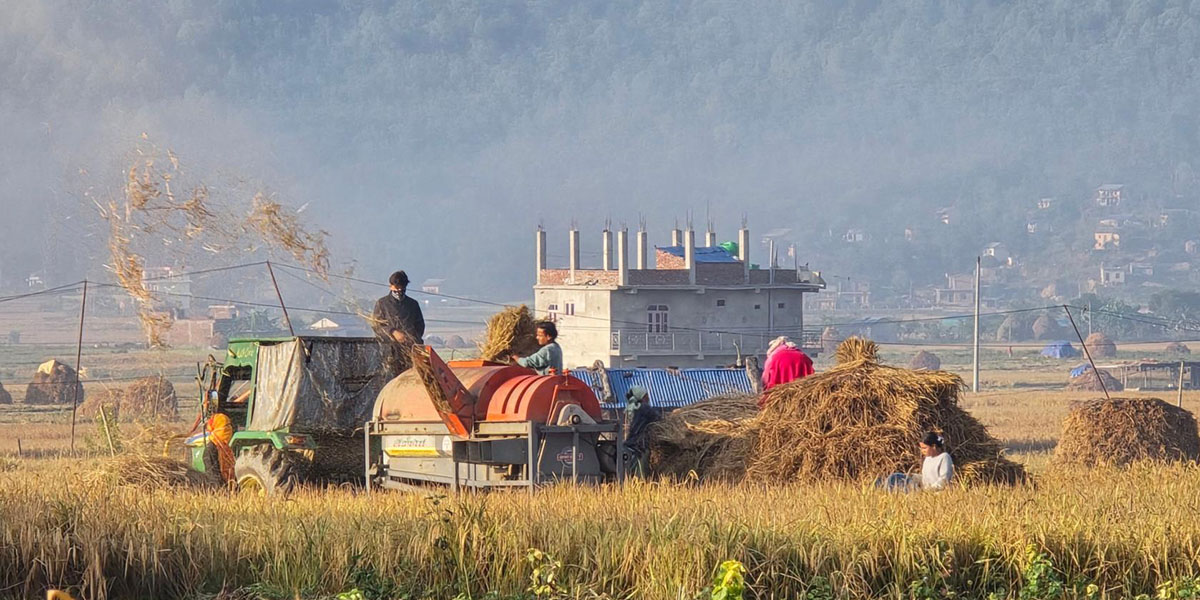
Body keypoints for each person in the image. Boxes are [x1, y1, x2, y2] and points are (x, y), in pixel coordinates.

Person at [371, 270, 425, 377]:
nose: (399, 291)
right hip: (389, 352)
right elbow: (377, 326)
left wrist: (411, 337)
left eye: (402, 288)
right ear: (391, 286)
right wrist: (392, 332)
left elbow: (420, 326)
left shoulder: (413, 304)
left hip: (411, 350)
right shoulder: (382, 303)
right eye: (397, 288)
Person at [759, 336, 814, 405]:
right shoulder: (802, 354)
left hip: (779, 391)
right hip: (801, 391)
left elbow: (766, 378)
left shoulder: (774, 356)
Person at [624, 386, 661, 477]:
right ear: (641, 397)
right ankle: (641, 482)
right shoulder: (644, 408)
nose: (648, 398)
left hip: (631, 442)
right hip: (641, 444)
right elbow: (658, 418)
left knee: (630, 467)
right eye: (646, 396)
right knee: (641, 469)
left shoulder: (630, 407)